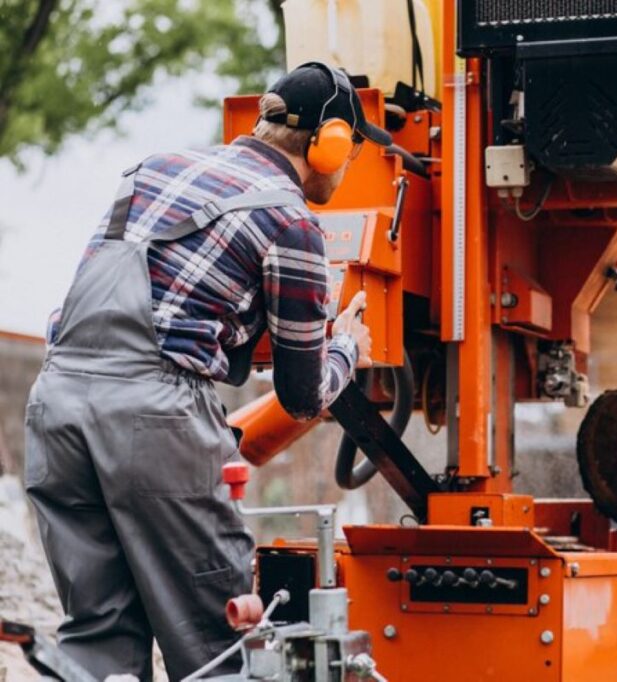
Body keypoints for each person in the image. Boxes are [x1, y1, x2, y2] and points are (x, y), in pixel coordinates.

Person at [23, 62, 389, 681]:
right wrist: (346, 347)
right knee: (221, 641)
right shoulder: (292, 222)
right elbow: (303, 396)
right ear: (327, 145)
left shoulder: (151, 169)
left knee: (98, 640)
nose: (349, 161)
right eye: (351, 148)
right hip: (153, 421)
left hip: (56, 404)